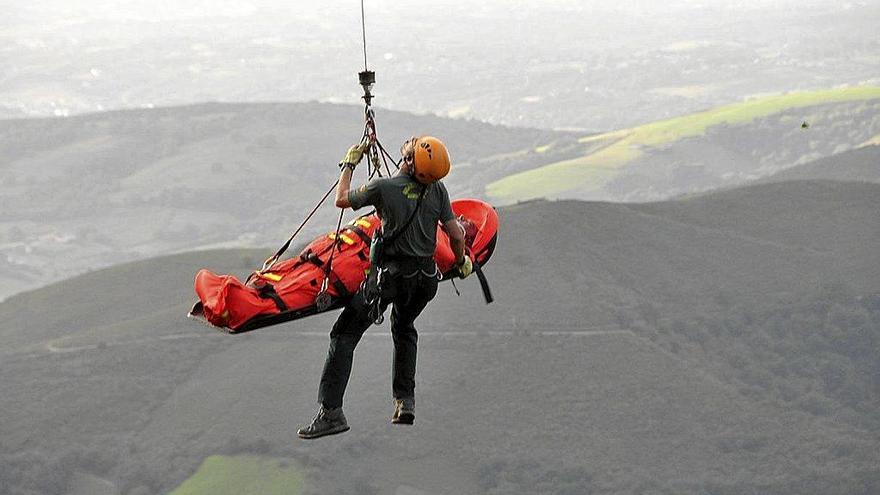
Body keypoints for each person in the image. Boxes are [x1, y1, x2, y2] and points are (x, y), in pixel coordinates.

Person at [297, 136, 473, 439]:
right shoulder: (437, 190)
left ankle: (331, 413)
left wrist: (349, 164)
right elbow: (456, 234)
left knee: (344, 334)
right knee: (404, 328)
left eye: (411, 150)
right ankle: (405, 401)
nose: (407, 146)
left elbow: (341, 199)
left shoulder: (384, 188)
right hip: (424, 281)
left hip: (390, 280)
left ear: (410, 163)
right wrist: (460, 262)